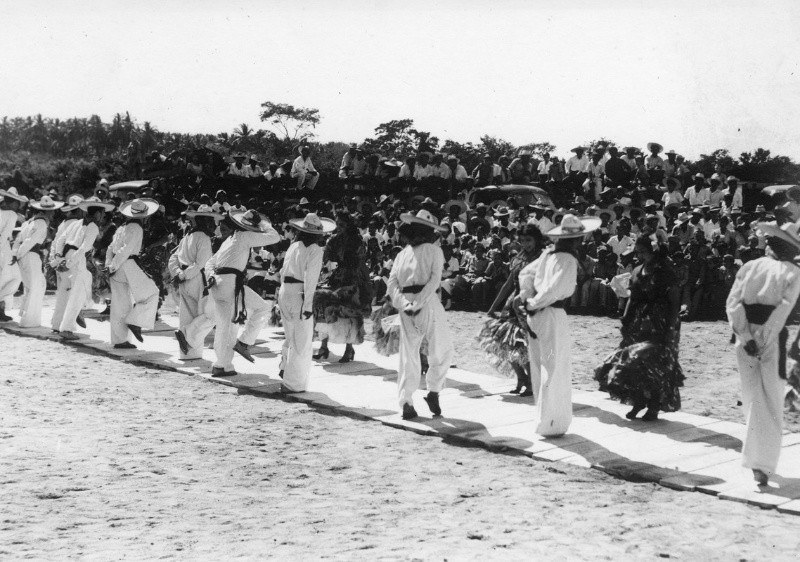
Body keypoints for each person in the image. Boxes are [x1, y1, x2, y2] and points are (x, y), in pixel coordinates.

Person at [726, 221, 800, 485]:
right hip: (770, 337)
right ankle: (761, 464)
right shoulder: (793, 272)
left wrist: (745, 336)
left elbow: (733, 303)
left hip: (744, 336)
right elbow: (782, 309)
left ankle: (758, 458)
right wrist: (761, 338)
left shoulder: (749, 267)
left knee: (751, 394)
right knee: (769, 398)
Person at [517, 214, 600, 436]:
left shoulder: (548, 255)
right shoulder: (567, 260)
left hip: (537, 313)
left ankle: (544, 420)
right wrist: (534, 302)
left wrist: (526, 298)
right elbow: (554, 290)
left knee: (539, 366)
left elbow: (525, 273)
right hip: (550, 312)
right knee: (554, 368)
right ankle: (551, 424)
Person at [594, 237, 684, 420]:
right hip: (638, 322)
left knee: (655, 365)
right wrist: (626, 319)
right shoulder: (636, 270)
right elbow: (631, 298)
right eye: (638, 252)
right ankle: (638, 401)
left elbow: (675, 301)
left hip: (660, 322)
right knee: (634, 364)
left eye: (643, 251)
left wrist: (670, 327)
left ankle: (653, 406)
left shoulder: (665, 272)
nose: (640, 255)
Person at [387, 209, 453, 420]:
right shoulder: (434, 251)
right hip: (426, 303)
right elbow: (434, 281)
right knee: (440, 349)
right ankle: (433, 391)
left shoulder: (401, 254)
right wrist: (416, 302)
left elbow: (392, 285)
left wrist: (404, 303)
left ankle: (407, 401)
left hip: (408, 306)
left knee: (409, 354)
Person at [205, 209, 281, 376]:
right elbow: (275, 237)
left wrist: (210, 275)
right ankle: (223, 363)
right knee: (229, 325)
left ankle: (233, 354)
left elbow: (209, 263)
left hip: (221, 283)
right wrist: (263, 222)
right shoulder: (244, 236)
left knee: (251, 312)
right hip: (230, 284)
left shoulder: (230, 239)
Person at [479, 224, 544, 396]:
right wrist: (493, 307)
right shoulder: (518, 258)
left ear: (536, 239)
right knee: (507, 344)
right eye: (522, 241)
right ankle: (521, 377)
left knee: (526, 345)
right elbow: (508, 284)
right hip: (512, 304)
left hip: (531, 303)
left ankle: (531, 381)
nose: (525, 244)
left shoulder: (543, 258)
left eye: (528, 240)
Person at [278, 213, 333, 391]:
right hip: (300, 293)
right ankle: (292, 383)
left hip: (285, 291)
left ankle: (284, 366)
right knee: (302, 340)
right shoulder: (315, 250)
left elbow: (282, 271)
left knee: (290, 335)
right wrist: (308, 306)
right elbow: (311, 280)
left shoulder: (293, 246)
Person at [313, 211, 373, 363]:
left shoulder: (357, 240)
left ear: (348, 225)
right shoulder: (333, 240)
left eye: (342, 225)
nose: (339, 227)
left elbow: (360, 260)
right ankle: (323, 346)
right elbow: (326, 257)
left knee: (349, 312)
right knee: (326, 308)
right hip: (336, 276)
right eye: (337, 224)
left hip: (352, 278)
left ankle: (349, 348)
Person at [57, 197, 116, 339]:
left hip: (69, 254)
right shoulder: (94, 227)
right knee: (79, 290)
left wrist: (60, 258)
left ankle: (80, 311)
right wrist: (69, 263)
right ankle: (67, 328)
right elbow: (84, 248)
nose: (102, 217)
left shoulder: (76, 223)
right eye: (102, 214)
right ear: (97, 214)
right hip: (77, 257)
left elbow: (60, 239)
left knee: (85, 284)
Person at [105, 198, 160, 348]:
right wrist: (113, 266)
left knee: (120, 304)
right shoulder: (136, 227)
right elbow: (126, 250)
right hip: (128, 264)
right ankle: (136, 321)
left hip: (117, 266)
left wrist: (109, 266)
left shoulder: (121, 227)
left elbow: (110, 248)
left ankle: (120, 340)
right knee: (152, 293)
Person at [170, 204, 222, 360]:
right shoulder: (204, 238)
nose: (213, 225)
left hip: (184, 280)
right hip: (198, 279)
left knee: (187, 314)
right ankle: (186, 335)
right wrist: (185, 275)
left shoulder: (187, 236)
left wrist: (178, 273)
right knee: (210, 315)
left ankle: (189, 354)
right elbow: (202, 263)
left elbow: (173, 258)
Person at [12, 195, 62, 327]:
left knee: (32, 286)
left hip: (28, 255)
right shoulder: (41, 223)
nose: (53, 214)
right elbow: (30, 242)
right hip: (30, 255)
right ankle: (29, 320)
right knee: (35, 287)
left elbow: (18, 239)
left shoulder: (29, 222)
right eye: (51, 211)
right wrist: (18, 255)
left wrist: (16, 254)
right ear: (47, 211)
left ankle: (27, 316)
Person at [49, 194, 85, 333]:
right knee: (74, 294)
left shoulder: (62, 224)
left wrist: (54, 261)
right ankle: (68, 326)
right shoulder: (79, 224)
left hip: (59, 261)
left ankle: (56, 324)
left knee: (62, 294)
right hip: (70, 261)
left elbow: (56, 243)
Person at [0, 187, 28, 321]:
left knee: (5, 279)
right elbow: (4, 235)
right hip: (3, 249)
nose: (18, 205)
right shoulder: (11, 214)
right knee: (15, 278)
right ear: (13, 202)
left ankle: (1, 309)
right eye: (17, 203)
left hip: (3, 247)